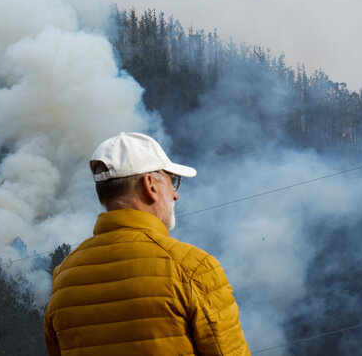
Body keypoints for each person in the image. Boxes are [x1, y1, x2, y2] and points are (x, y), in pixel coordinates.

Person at [44, 132, 249, 355]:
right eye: (173, 182)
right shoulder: (193, 268)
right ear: (150, 185)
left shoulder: (63, 277)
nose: (175, 195)